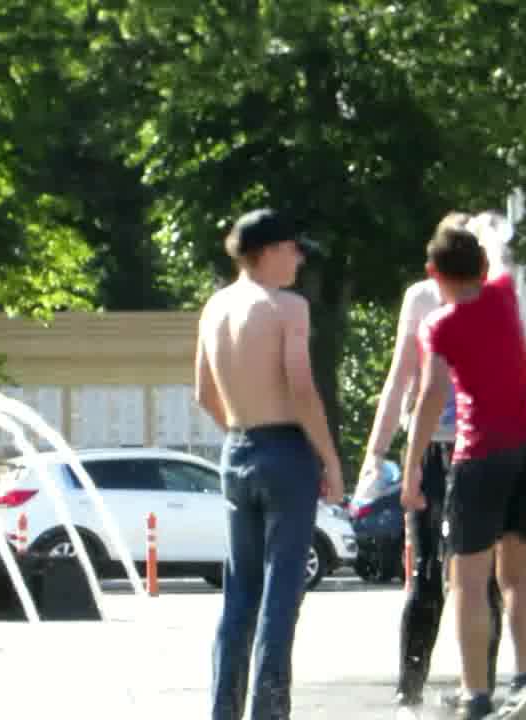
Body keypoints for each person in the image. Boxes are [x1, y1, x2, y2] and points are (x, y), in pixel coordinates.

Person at [359, 211, 523, 711]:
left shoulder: (497, 296)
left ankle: (480, 688)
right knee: (427, 573)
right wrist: (374, 453)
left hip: (482, 446)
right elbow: (400, 378)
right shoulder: (421, 297)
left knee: (482, 577)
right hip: (431, 447)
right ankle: (409, 689)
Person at [195, 208, 345, 720]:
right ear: (268, 252)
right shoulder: (287, 308)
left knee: (239, 593)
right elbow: (301, 387)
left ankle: (224, 710)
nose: (299, 260)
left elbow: (203, 393)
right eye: (293, 250)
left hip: (236, 447)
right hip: (286, 450)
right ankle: (269, 711)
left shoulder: (215, 307)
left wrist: (243, 431)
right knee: (281, 594)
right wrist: (329, 459)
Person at [402, 212, 526, 720]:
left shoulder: (439, 325)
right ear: (482, 268)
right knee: (519, 575)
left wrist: (412, 468)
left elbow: (430, 397)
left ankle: (477, 695)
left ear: (433, 273)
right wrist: (487, 224)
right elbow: (500, 247)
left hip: (482, 454)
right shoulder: (504, 294)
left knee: (466, 581)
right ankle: (525, 680)